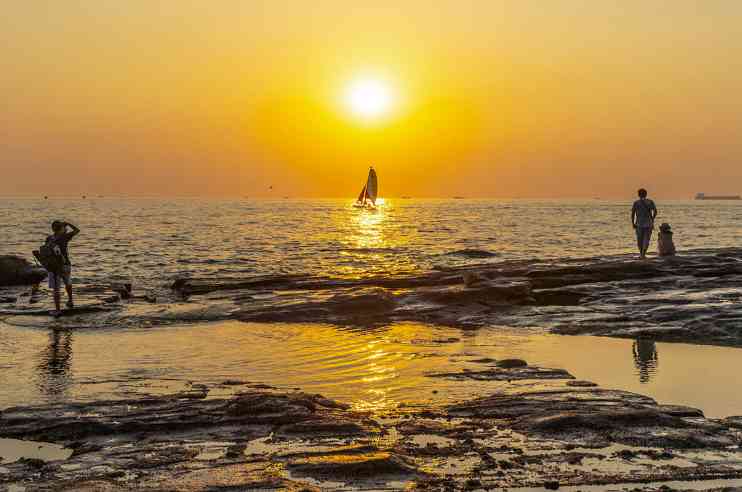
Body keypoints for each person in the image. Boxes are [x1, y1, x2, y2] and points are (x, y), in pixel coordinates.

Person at [46, 221, 80, 316]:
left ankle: (57, 310)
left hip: (53, 266)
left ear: (52, 229)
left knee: (56, 289)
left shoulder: (49, 238)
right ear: (61, 228)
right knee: (68, 282)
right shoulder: (65, 237)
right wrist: (68, 223)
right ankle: (70, 301)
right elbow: (77, 230)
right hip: (65, 264)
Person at [631, 188, 657, 259]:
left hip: (639, 224)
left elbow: (633, 214)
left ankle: (641, 254)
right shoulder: (650, 202)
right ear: (646, 194)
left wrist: (633, 223)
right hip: (649, 223)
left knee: (640, 240)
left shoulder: (636, 203)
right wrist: (652, 219)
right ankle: (643, 254)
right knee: (646, 240)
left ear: (638, 195)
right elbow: (655, 211)